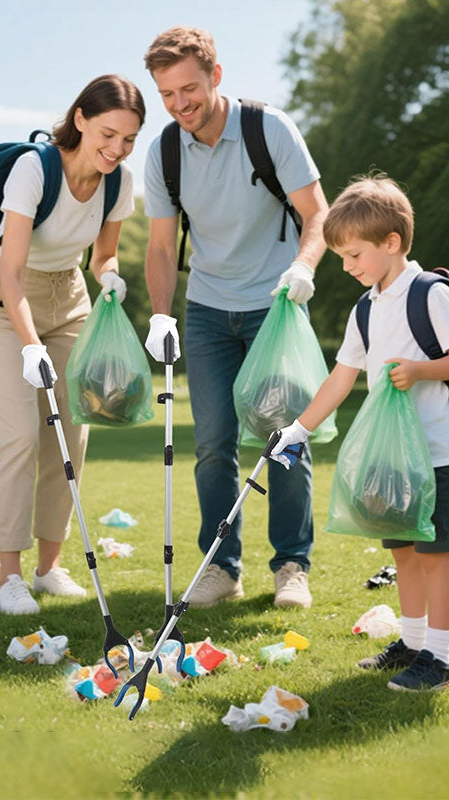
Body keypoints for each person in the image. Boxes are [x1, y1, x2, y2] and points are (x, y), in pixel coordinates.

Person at [141, 27, 329, 609]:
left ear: (216, 76)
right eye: (167, 95)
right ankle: (221, 568)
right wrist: (161, 315)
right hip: (206, 314)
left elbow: (318, 214)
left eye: (188, 89)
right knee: (214, 444)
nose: (179, 105)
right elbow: (161, 248)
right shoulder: (164, 152)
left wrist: (302, 267)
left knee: (285, 439)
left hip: (275, 310)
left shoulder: (268, 129)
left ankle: (291, 566)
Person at [272, 175, 449, 690]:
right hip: (393, 460)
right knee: (403, 552)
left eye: (355, 254)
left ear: (391, 243)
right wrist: (298, 429)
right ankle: (411, 643)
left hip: (438, 451)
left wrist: (419, 370)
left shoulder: (430, 293)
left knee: (435, 553)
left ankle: (441, 659)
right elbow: (341, 377)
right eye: (340, 256)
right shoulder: (364, 309)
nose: (347, 267)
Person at [0, 75, 145, 614]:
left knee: (70, 436)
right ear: (80, 120)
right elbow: (12, 274)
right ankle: (9, 577)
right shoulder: (34, 169)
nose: (116, 149)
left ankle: (49, 569)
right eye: (108, 134)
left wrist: (111, 277)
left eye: (129, 140)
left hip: (70, 297)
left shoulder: (119, 183)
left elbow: (102, 257)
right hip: (7, 302)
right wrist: (30, 347)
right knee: (21, 434)